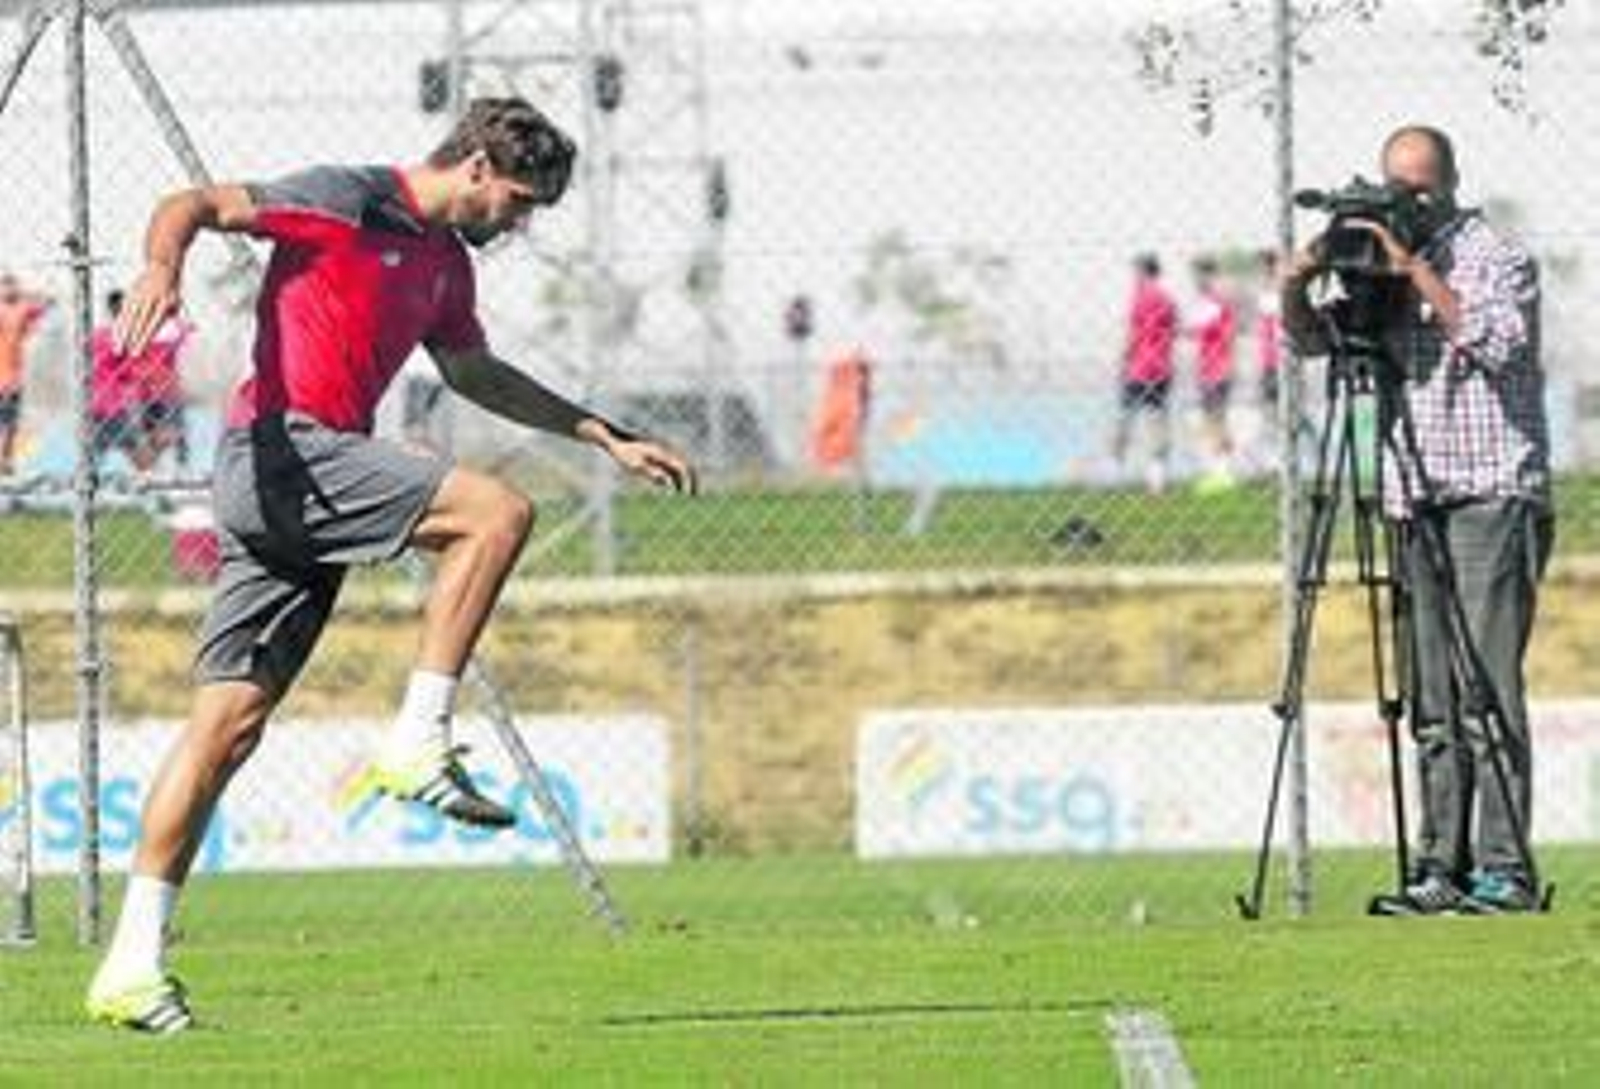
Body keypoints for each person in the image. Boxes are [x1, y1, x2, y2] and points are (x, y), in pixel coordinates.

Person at [85, 96, 696, 1033]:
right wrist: (160, 267)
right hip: (281, 452)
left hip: (297, 484)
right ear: (480, 167)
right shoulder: (345, 199)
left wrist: (602, 434)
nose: (521, 222)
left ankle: (129, 967)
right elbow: (192, 202)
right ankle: (418, 737)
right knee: (497, 515)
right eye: (521, 201)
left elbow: (476, 376)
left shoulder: (447, 267)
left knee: (225, 728)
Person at [1283, 124, 1551, 915]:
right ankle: (1440, 865)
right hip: (1415, 497)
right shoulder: (1379, 264)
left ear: (1453, 181)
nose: (1410, 200)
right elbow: (1312, 346)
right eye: (1397, 185)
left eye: (1422, 188)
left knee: (1485, 694)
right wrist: (1298, 282)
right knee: (1431, 698)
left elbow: (1499, 343)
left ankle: (1506, 870)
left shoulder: (1496, 255)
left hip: (1492, 491)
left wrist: (1417, 271)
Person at [1110, 253, 1177, 492]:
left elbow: (1133, 333)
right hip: (1161, 369)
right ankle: (1156, 478)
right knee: (1157, 421)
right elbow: (1173, 331)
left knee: (1125, 419)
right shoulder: (1167, 299)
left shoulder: (1139, 297)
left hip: (1138, 369)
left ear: (1142, 271)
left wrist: (1123, 360)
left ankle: (1116, 473)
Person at [1188, 255, 1237, 487]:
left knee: (1216, 419)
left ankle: (1223, 472)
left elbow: (1225, 335)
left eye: (1202, 273)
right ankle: (1219, 470)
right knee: (1211, 420)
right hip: (1206, 368)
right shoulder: (1202, 303)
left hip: (1217, 370)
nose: (1198, 279)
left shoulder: (1216, 304)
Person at [0, 273, 50, 476]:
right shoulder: (12, 310)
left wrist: (23, 294)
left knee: (10, 427)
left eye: (11, 285)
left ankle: (6, 467)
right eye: (5, 286)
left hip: (15, 379)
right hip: (6, 380)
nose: (9, 289)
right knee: (6, 427)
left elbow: (47, 302)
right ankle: (5, 467)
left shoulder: (22, 308)